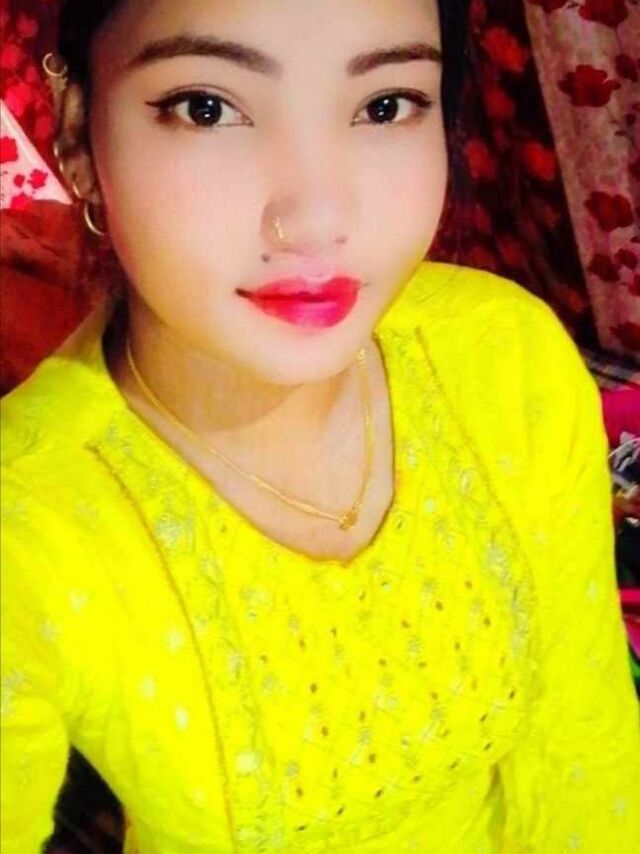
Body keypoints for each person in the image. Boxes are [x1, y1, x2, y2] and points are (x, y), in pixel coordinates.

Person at [1, 1, 639, 852]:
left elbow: (584, 754)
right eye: (206, 107)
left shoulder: (505, 357)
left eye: (384, 105)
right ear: (80, 134)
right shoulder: (28, 523)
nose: (315, 220)